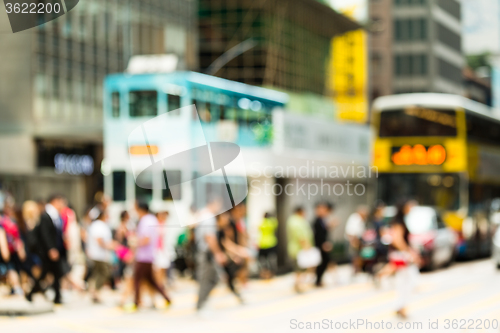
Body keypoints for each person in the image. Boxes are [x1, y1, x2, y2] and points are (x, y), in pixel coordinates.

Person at [378, 200, 421, 319]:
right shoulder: (399, 222)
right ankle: (400, 306)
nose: (411, 208)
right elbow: (398, 240)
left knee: (405, 280)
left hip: (400, 254)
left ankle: (400, 306)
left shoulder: (399, 221)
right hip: (401, 254)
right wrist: (410, 252)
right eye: (409, 206)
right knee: (409, 280)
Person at [127, 202, 171, 312]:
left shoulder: (145, 220)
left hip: (144, 256)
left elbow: (146, 239)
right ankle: (167, 298)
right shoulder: (151, 219)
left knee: (137, 279)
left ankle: (136, 303)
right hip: (149, 255)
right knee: (151, 281)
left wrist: (134, 242)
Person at [26, 194, 67, 304]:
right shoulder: (46, 215)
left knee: (56, 273)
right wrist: (51, 249)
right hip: (48, 251)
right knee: (45, 273)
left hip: (54, 250)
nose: (62, 205)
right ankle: (31, 293)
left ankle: (57, 297)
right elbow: (45, 235)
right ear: (55, 201)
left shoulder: (55, 215)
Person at [195, 198, 227, 313]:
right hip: (206, 253)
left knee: (211, 278)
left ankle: (202, 303)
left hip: (205, 252)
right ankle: (201, 305)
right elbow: (209, 237)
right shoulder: (209, 217)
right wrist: (218, 253)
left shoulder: (203, 215)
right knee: (208, 279)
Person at [216, 212, 248, 303]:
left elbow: (227, 244)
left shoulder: (221, 231)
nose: (227, 219)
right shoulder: (213, 230)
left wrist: (238, 252)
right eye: (224, 217)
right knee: (212, 280)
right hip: (211, 259)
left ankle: (239, 295)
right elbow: (225, 245)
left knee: (230, 276)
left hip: (221, 258)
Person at [86, 210, 115, 303]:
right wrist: (108, 246)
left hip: (99, 254)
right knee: (104, 272)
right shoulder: (99, 225)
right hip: (98, 254)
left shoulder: (98, 225)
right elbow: (99, 239)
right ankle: (95, 290)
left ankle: (94, 291)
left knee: (97, 272)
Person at [287, 206, 314, 293]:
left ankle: (298, 284)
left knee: (299, 268)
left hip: (297, 248)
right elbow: (300, 236)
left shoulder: (294, 220)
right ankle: (298, 285)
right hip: (299, 249)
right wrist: (306, 247)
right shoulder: (296, 221)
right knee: (299, 268)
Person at [313, 202, 334, 287]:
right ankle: (318, 280)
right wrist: (323, 244)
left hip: (323, 244)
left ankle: (319, 280)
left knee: (325, 261)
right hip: (320, 245)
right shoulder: (317, 221)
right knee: (322, 262)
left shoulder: (322, 220)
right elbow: (318, 235)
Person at [345, 205, 369, 275]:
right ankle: (356, 271)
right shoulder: (355, 218)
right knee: (355, 257)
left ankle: (358, 270)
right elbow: (351, 232)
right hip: (354, 241)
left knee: (358, 256)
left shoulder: (360, 219)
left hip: (357, 240)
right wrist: (354, 242)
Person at [257, 212, 278, 279]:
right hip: (271, 243)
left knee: (263, 262)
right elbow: (276, 224)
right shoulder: (272, 222)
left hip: (263, 243)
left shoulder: (262, 223)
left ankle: (265, 275)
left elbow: (258, 228)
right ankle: (272, 274)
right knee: (272, 261)